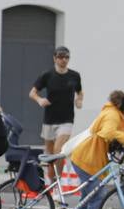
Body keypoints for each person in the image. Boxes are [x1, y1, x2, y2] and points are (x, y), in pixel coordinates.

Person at [29, 46, 83, 182]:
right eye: (60, 57)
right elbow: (32, 93)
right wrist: (40, 100)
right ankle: (52, 182)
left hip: (67, 120)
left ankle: (58, 180)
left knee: (59, 151)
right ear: (54, 58)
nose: (64, 60)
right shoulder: (47, 75)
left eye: (66, 57)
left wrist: (79, 101)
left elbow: (80, 92)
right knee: (50, 153)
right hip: (49, 119)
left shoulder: (74, 76)